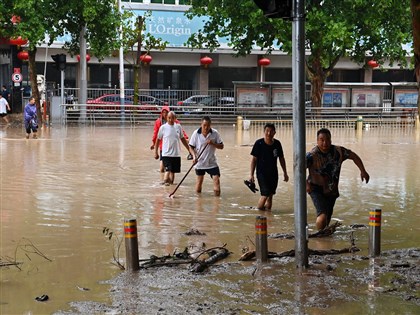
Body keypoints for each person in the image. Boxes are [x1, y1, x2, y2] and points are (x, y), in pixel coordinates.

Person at [306, 128, 370, 230]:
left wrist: (363, 171)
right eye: (321, 140)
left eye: (327, 139)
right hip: (316, 189)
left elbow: (353, 156)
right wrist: (306, 184)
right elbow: (298, 169)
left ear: (331, 140)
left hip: (332, 190)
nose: (324, 143)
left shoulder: (338, 151)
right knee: (322, 216)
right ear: (317, 141)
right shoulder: (312, 155)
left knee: (327, 218)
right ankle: (319, 239)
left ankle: (324, 238)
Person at [249, 123, 289, 210]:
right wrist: (251, 175)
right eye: (267, 131)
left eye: (271, 131)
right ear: (264, 132)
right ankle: (259, 214)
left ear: (274, 133)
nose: (268, 133)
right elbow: (254, 160)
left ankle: (268, 217)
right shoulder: (259, 143)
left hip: (273, 173)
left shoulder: (277, 144)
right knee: (265, 194)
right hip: (261, 173)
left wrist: (285, 173)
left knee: (270, 195)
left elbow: (281, 159)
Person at [189, 116, 224, 196]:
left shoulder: (215, 133)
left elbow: (222, 146)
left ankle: (217, 203)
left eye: (208, 125)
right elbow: (190, 147)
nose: (206, 127)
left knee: (216, 181)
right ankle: (198, 203)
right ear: (201, 124)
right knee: (199, 184)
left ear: (210, 125)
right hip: (200, 163)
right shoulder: (196, 133)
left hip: (211, 162)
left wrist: (213, 144)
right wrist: (194, 156)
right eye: (204, 125)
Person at [154, 111, 192, 185]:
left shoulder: (178, 127)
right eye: (169, 118)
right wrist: (156, 152)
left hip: (176, 154)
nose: (171, 120)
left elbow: (182, 139)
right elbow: (158, 140)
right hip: (166, 154)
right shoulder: (163, 128)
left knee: (173, 172)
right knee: (168, 170)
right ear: (166, 118)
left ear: (175, 118)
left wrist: (189, 150)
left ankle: (170, 188)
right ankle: (165, 183)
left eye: (172, 118)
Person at [150, 105, 189, 173]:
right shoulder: (158, 122)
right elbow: (156, 134)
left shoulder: (175, 122)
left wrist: (186, 138)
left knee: (171, 170)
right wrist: (153, 144)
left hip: (173, 148)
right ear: (161, 113)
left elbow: (181, 132)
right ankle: (164, 178)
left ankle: (167, 177)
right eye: (163, 112)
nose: (164, 114)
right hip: (163, 146)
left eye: (166, 112)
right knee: (162, 169)